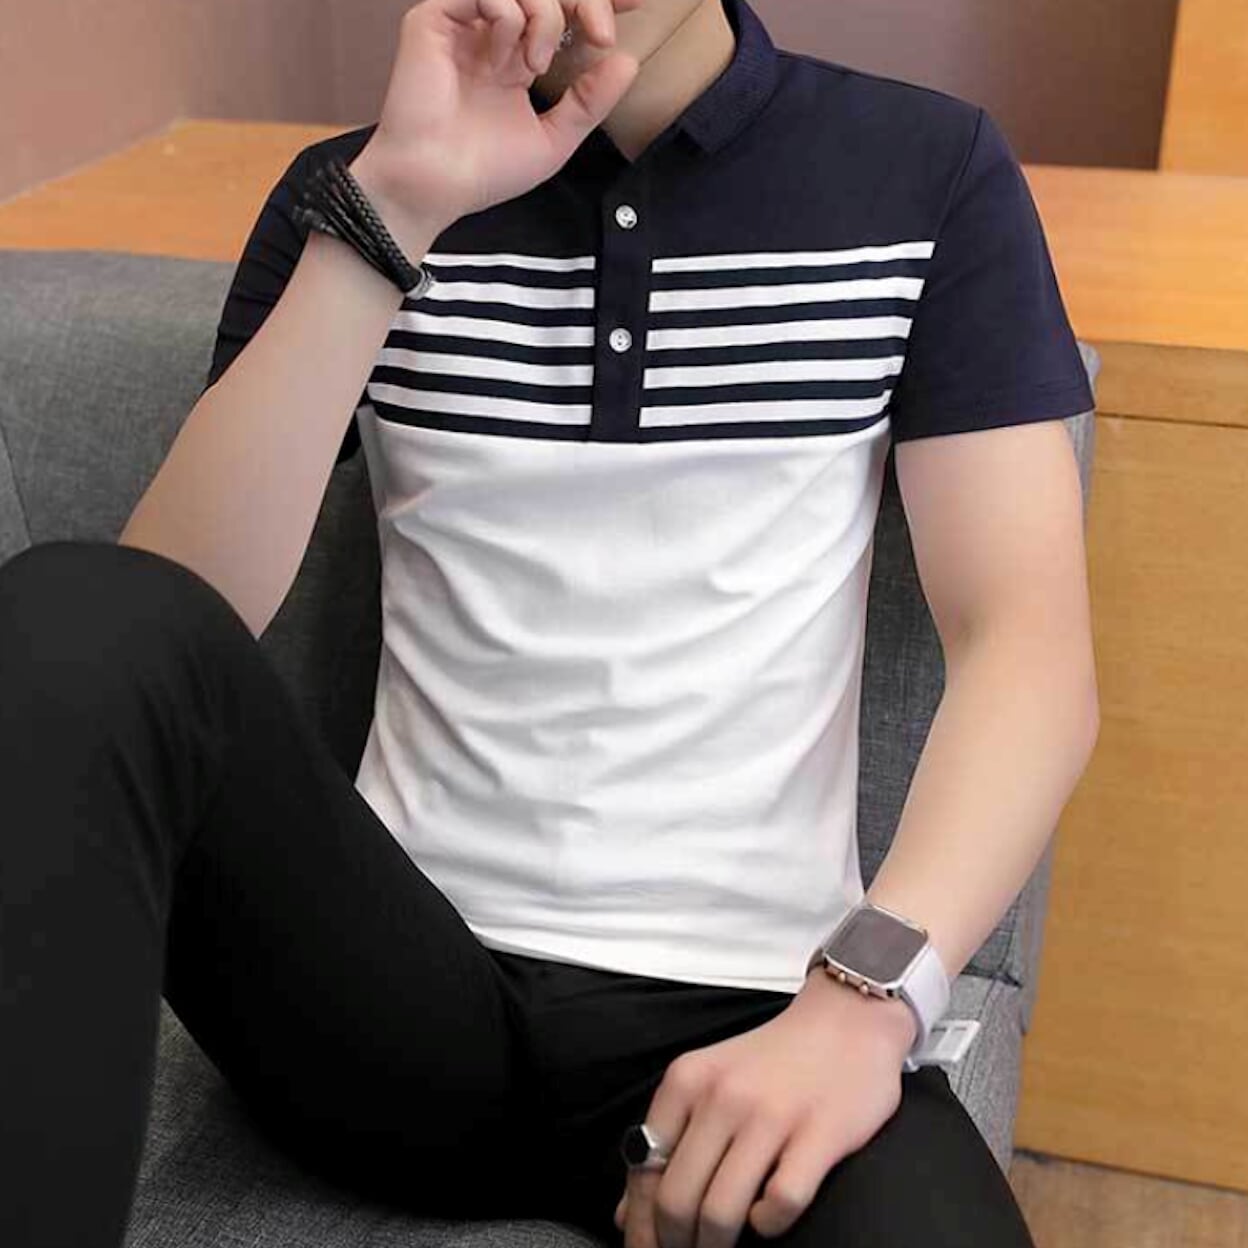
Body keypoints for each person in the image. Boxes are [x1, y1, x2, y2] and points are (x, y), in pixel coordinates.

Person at [0, 1, 1101, 1246]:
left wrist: (862, 1004)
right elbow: (158, 641)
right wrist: (399, 204)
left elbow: (1028, 652)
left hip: (753, 1018)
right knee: (70, 603)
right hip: (393, 995)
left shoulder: (927, 171)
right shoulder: (357, 187)